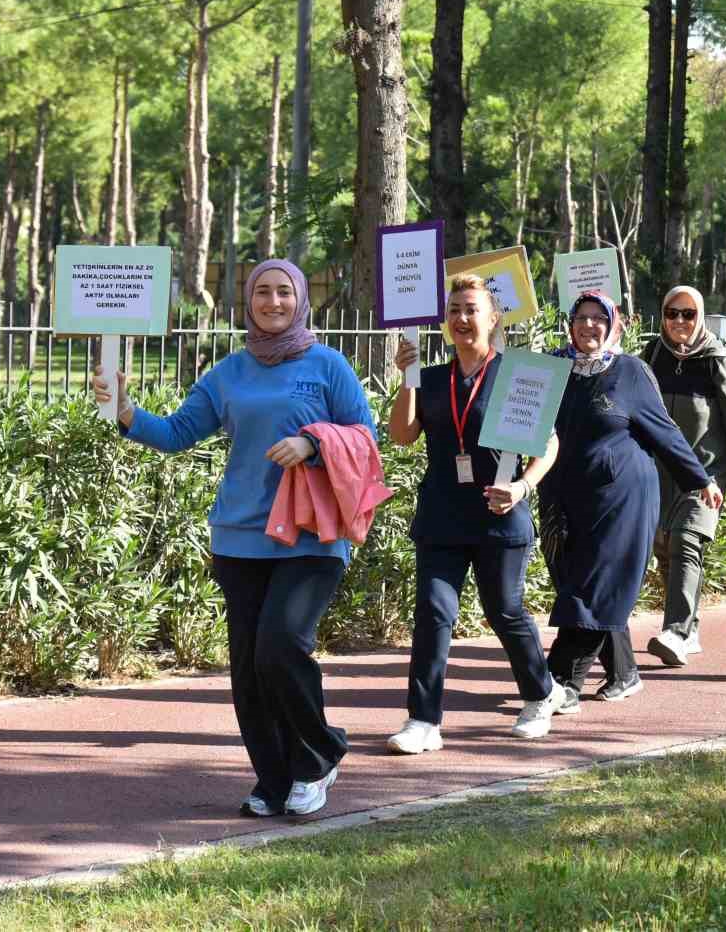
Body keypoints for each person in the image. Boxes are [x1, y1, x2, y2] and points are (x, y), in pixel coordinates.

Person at [90, 260, 374, 818]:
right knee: (247, 669)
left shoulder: (329, 365)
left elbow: (365, 436)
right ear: (248, 301)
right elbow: (176, 433)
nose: (273, 302)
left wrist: (313, 444)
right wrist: (125, 411)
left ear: (300, 299)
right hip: (239, 538)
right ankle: (273, 779)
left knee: (281, 646)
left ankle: (318, 755)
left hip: (312, 536)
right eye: (262, 292)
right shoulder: (228, 373)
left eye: (284, 292)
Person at [383, 274, 565, 751]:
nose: (461, 318)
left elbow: (548, 444)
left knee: (503, 610)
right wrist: (406, 379)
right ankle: (423, 720)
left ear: (492, 317)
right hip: (442, 513)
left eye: (471, 309)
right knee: (433, 612)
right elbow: (402, 435)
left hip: (498, 515)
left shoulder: (516, 375)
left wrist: (523, 488)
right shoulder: (429, 377)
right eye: (454, 310)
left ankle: (541, 694)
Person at [539, 291, 722, 705]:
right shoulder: (551, 368)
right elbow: (517, 413)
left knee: (593, 587)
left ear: (613, 324)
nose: (589, 326)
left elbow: (665, 431)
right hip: (563, 499)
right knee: (584, 582)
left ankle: (563, 681)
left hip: (621, 499)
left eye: (598, 318)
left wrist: (699, 479)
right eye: (581, 317)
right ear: (570, 324)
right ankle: (624, 672)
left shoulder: (630, 371)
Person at [638, 285, 726, 667]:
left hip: (703, 473)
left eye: (688, 314)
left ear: (700, 317)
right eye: (672, 313)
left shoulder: (715, 358)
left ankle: (675, 632)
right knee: (664, 550)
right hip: (659, 470)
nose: (679, 321)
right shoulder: (653, 354)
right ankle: (689, 628)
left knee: (686, 541)